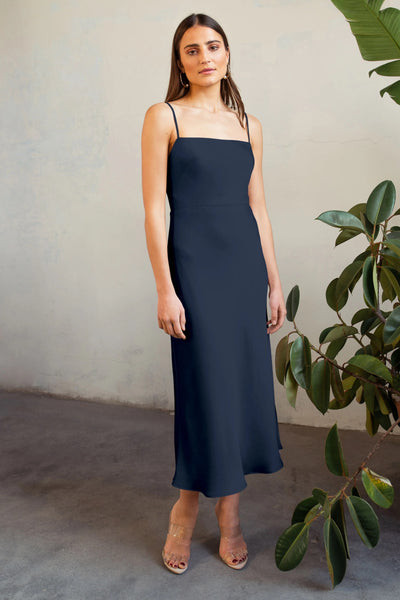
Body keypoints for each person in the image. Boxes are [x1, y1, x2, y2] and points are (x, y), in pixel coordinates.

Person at [141, 13, 286, 574]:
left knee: (244, 390)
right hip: (194, 270)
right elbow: (155, 209)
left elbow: (259, 208)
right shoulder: (164, 116)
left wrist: (274, 282)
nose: (205, 56)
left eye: (214, 46)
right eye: (192, 49)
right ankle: (184, 508)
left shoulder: (249, 124)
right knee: (205, 391)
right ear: (180, 61)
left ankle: (230, 515)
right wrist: (164, 288)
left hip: (244, 270)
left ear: (227, 54)